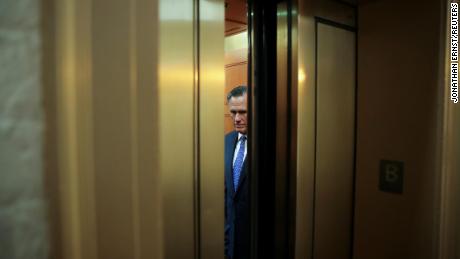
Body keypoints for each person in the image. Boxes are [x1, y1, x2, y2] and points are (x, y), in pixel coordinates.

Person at [225, 85, 250, 259]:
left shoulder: (270, 142)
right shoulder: (227, 141)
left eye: (243, 112)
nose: (237, 118)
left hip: (254, 240)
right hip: (228, 240)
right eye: (233, 112)